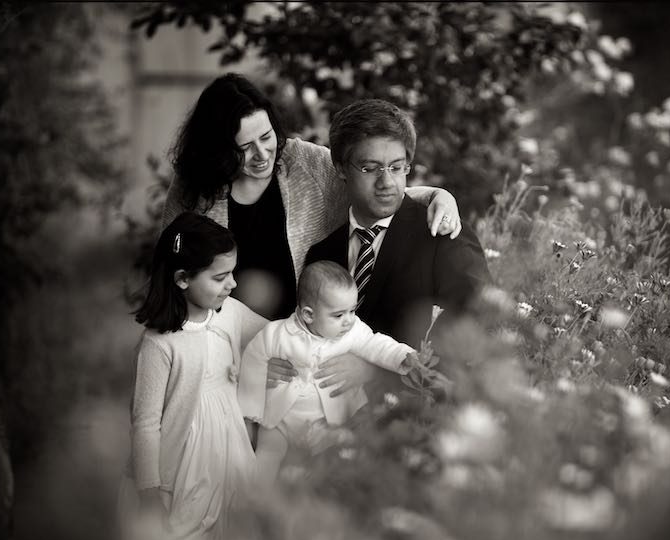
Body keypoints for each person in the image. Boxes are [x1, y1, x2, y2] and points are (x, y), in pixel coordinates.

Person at [161, 72, 463, 323]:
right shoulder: (194, 187)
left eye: (266, 137)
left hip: (300, 342)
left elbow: (372, 183)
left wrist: (437, 195)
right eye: (244, 147)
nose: (262, 155)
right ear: (217, 150)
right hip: (220, 338)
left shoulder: (305, 162)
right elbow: (171, 268)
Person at [305, 98, 491, 383]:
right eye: (370, 168)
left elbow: (477, 331)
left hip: (412, 413)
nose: (387, 182)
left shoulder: (443, 236)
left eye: (396, 167)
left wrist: (376, 374)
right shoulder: (322, 254)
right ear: (341, 168)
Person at [120, 211, 267, 540]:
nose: (232, 284)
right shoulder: (160, 344)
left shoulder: (229, 312)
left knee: (239, 538)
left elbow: (275, 336)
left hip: (230, 447)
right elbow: (145, 423)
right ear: (183, 279)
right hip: (185, 457)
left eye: (232, 273)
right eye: (220, 277)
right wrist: (148, 493)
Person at [238, 261, 417, 484]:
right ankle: (254, 498)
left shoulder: (353, 331)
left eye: (353, 311)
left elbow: (376, 344)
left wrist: (403, 356)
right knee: (267, 455)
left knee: (328, 461)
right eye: (339, 315)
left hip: (328, 419)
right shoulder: (277, 334)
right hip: (281, 418)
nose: (349, 320)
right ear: (308, 315)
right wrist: (251, 410)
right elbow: (254, 360)